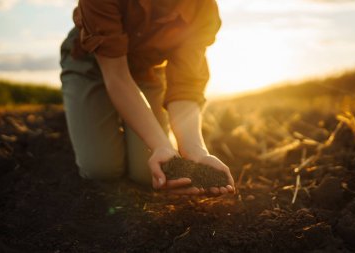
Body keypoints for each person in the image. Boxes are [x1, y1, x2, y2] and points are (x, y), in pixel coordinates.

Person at [60, 0, 234, 195]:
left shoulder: (202, 7)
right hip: (91, 65)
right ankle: (84, 114)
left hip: (145, 70)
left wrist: (195, 151)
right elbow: (117, 77)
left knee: (148, 172)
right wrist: (159, 144)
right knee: (101, 168)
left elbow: (184, 87)